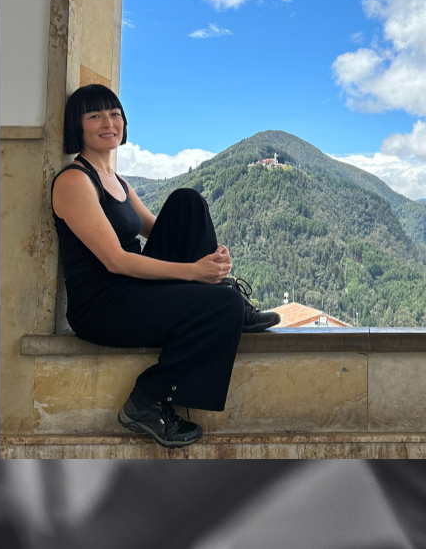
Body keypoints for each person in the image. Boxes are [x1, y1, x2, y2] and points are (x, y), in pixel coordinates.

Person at [51, 84, 280, 448]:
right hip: (103, 305)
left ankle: (226, 289)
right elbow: (116, 260)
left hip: (131, 288)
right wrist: (194, 273)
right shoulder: (74, 181)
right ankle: (148, 399)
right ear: (77, 126)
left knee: (187, 203)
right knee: (222, 307)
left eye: (114, 114)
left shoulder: (117, 180)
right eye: (95, 116)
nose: (108, 122)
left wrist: (213, 258)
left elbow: (162, 230)